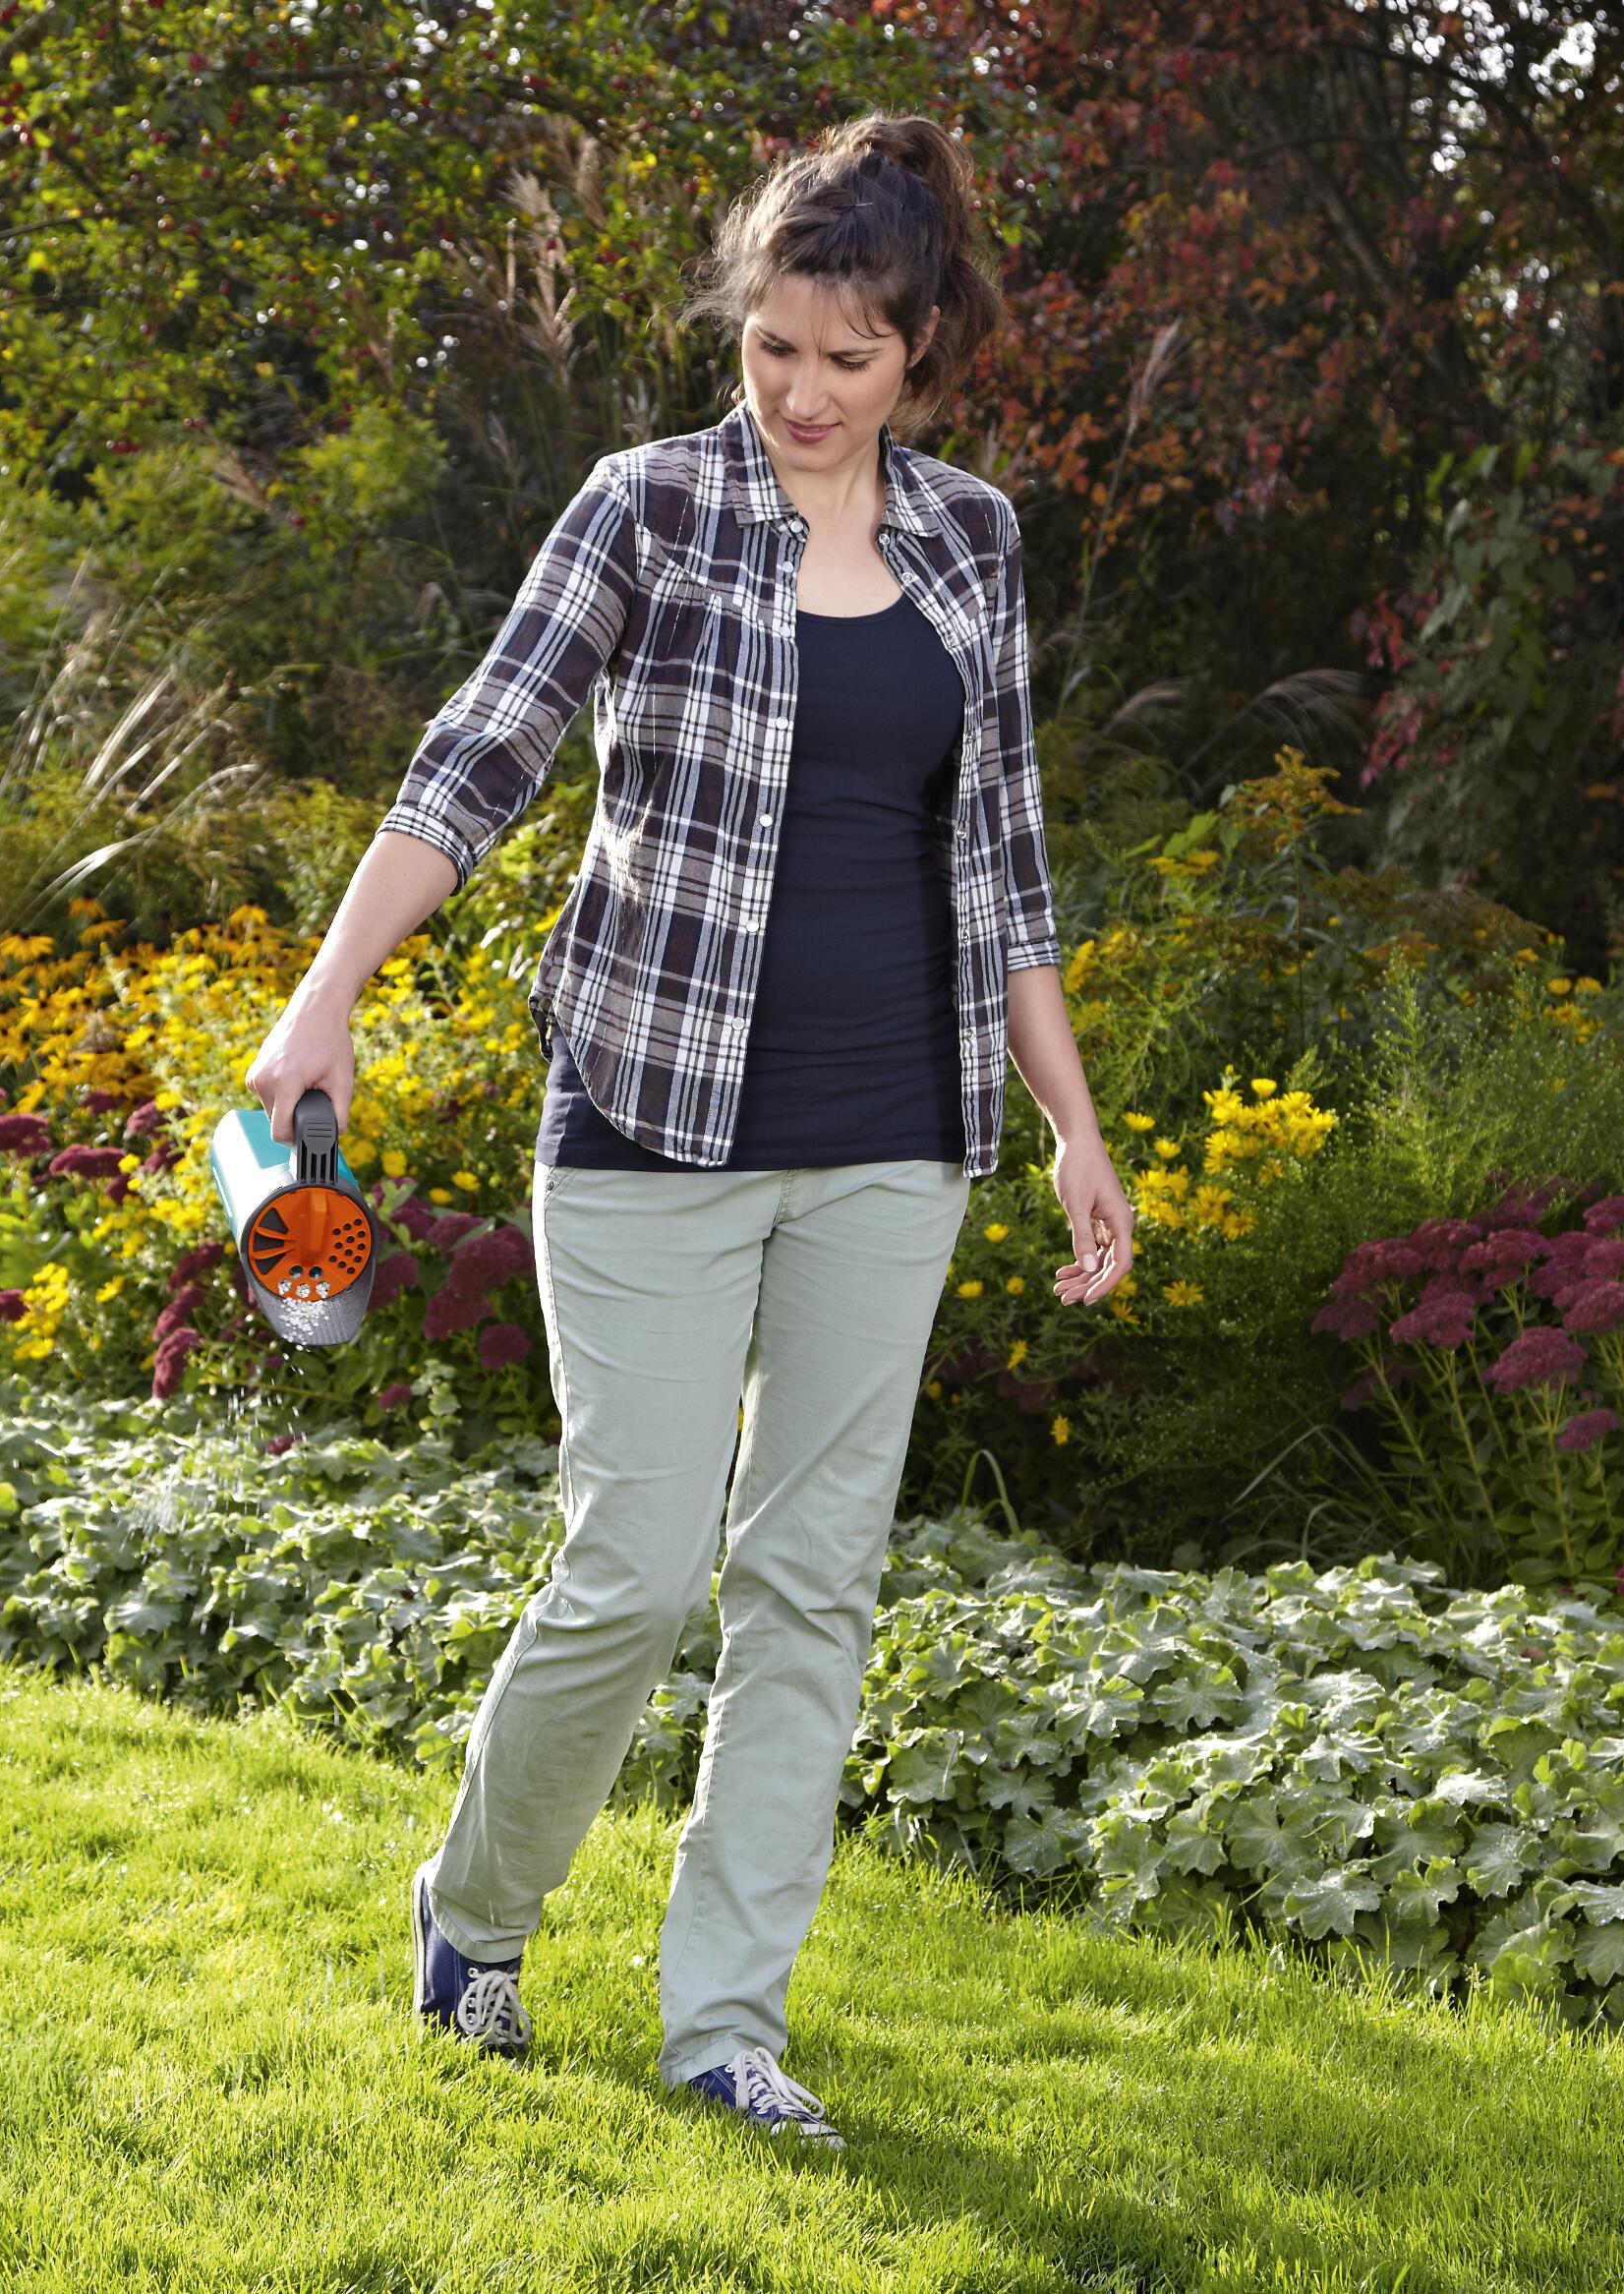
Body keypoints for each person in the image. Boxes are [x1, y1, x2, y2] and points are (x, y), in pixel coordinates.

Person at [244, 113, 1135, 2151]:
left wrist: (1073, 1129)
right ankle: (475, 1913)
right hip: (649, 1111)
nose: (802, 397)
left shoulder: (973, 543)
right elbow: (480, 754)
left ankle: (724, 2025)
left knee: (811, 1586)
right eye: (771, 352)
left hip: (896, 1128)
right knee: (636, 1570)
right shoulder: (645, 508)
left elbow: (1002, 866)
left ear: (924, 350)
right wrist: (330, 992)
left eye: (848, 359)